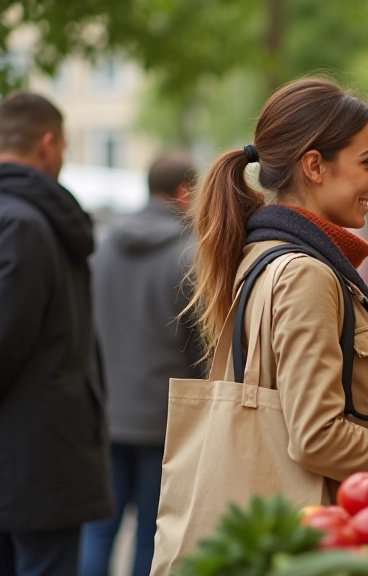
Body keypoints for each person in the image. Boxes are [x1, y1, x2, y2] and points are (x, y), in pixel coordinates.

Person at [185, 78, 368, 509]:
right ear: (314, 166)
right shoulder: (305, 274)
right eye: (367, 162)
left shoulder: (265, 257)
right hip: (323, 525)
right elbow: (317, 437)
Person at [0, 92, 113, 575]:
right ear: (48, 145)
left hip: (27, 459)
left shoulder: (19, 220)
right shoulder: (29, 221)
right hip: (41, 457)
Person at [80, 153, 204, 576]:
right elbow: (201, 344)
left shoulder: (100, 245)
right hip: (165, 418)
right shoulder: (191, 254)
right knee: (153, 531)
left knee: (99, 529)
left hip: (105, 412)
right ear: (184, 194)